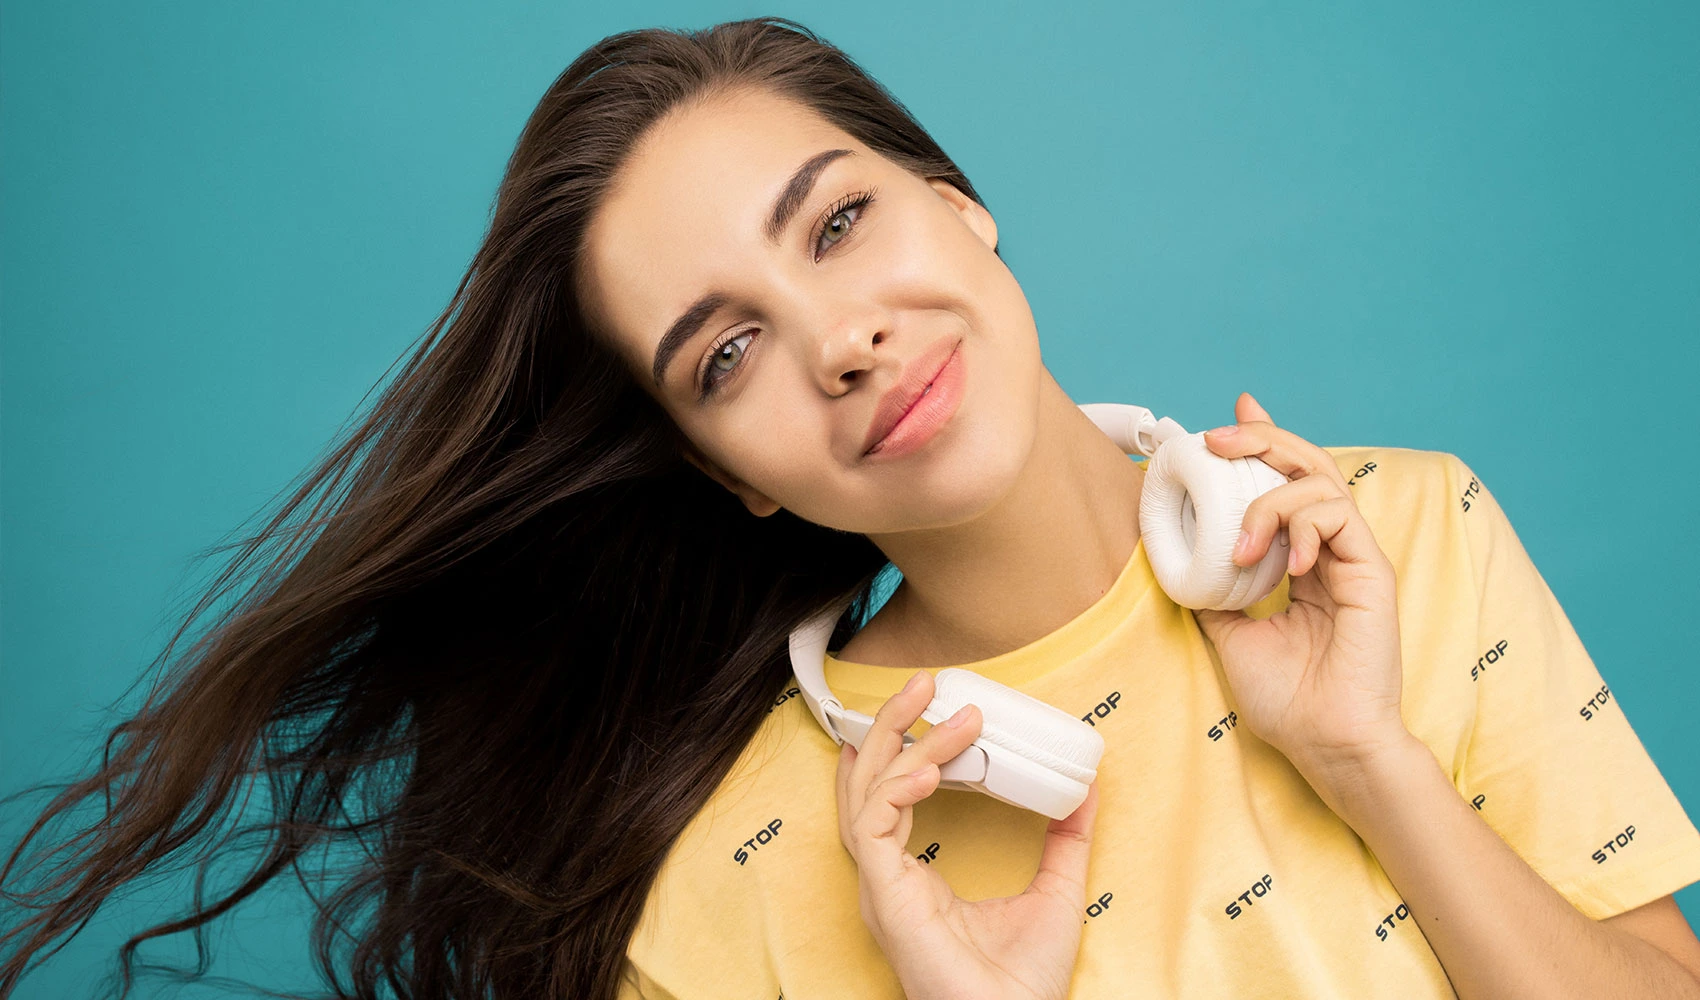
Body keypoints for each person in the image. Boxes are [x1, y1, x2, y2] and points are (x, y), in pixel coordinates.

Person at [3, 15, 1699, 1000]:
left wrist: (1372, 763)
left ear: (960, 206)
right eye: (727, 352)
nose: (842, 340)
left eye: (837, 224)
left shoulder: (1391, 541)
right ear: (726, 472)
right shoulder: (722, 889)